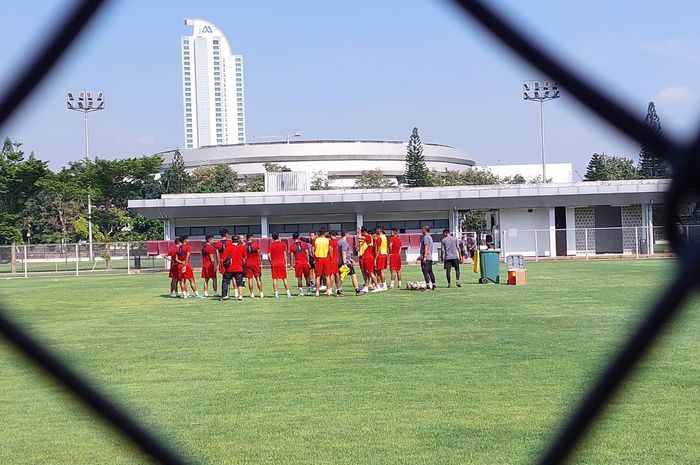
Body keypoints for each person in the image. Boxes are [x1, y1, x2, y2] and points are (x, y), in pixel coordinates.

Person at [219, 235, 244, 301]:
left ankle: (224, 295)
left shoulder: (228, 247)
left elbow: (223, 257)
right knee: (239, 282)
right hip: (239, 267)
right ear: (238, 240)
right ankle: (240, 295)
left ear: (232, 240)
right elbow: (244, 257)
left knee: (225, 281)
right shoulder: (241, 247)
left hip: (229, 268)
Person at [268, 232, 291, 299]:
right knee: (284, 278)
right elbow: (284, 254)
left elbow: (269, 256)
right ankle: (288, 293)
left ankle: (276, 294)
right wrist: (285, 263)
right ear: (278, 237)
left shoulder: (270, 245)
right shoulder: (282, 244)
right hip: (281, 263)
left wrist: (271, 262)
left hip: (274, 264)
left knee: (275, 279)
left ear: (272, 238)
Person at [338, 230, 361, 295]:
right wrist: (345, 263)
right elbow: (343, 252)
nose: (349, 236)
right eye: (348, 234)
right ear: (346, 234)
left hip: (341, 261)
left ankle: (338, 291)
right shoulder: (344, 242)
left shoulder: (339, 241)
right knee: (353, 275)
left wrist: (350, 259)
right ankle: (357, 291)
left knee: (341, 276)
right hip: (346, 263)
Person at [312, 227, 333, 296]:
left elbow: (312, 251)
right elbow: (330, 250)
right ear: (325, 233)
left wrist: (314, 257)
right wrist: (331, 258)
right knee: (327, 275)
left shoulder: (315, 240)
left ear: (319, 233)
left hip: (318, 259)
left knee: (318, 276)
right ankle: (329, 290)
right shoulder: (327, 240)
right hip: (326, 258)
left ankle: (317, 291)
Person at [358, 226, 378, 293]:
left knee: (370, 272)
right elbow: (360, 240)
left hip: (368, 257)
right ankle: (366, 286)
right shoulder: (365, 238)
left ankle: (377, 286)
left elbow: (359, 237)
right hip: (363, 257)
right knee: (365, 273)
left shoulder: (368, 236)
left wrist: (359, 232)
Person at [244, 233, 264, 298]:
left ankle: (252, 293)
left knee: (250, 279)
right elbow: (259, 254)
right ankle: (261, 293)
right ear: (251, 237)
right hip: (255, 263)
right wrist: (260, 263)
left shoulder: (244, 246)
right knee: (258, 278)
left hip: (248, 263)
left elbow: (243, 257)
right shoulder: (255, 245)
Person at [419, 225, 436, 291]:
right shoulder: (430, 237)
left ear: (425, 230)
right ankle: (433, 285)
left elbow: (426, 247)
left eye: (422, 229)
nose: (421, 231)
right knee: (430, 271)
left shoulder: (426, 237)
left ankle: (428, 286)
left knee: (425, 271)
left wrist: (425, 257)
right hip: (430, 257)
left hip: (426, 257)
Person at [374, 226, 388, 291]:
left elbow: (378, 249)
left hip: (380, 255)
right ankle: (382, 285)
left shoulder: (379, 238)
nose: (376, 231)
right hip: (384, 254)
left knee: (380, 271)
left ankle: (382, 285)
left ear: (379, 230)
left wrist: (375, 259)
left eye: (377, 229)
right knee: (381, 270)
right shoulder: (385, 237)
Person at [328, 230, 342, 295]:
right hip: (337, 259)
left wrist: (331, 259)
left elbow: (331, 250)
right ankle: (338, 287)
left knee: (332, 274)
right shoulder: (337, 241)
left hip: (333, 260)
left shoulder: (331, 242)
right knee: (336, 274)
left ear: (331, 235)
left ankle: (330, 288)